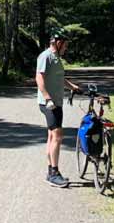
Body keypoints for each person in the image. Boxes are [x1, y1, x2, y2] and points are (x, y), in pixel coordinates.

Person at [36, 29, 82, 188]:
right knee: (58, 135)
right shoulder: (46, 56)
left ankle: (51, 172)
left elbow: (59, 78)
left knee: (51, 137)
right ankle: (54, 173)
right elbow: (39, 78)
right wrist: (47, 97)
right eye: (65, 44)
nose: (66, 48)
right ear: (57, 42)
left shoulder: (56, 58)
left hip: (56, 102)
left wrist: (72, 87)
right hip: (49, 103)